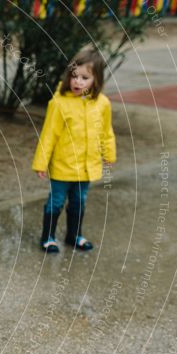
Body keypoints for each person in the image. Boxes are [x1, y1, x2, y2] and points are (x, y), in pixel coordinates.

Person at [32, 46, 116, 253]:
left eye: (85, 78)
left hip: (87, 167)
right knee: (57, 201)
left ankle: (74, 235)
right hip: (63, 165)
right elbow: (49, 135)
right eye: (74, 76)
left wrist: (109, 153)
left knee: (79, 201)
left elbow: (106, 131)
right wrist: (41, 162)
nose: (78, 82)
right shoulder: (59, 104)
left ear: (96, 80)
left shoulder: (102, 104)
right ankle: (48, 237)